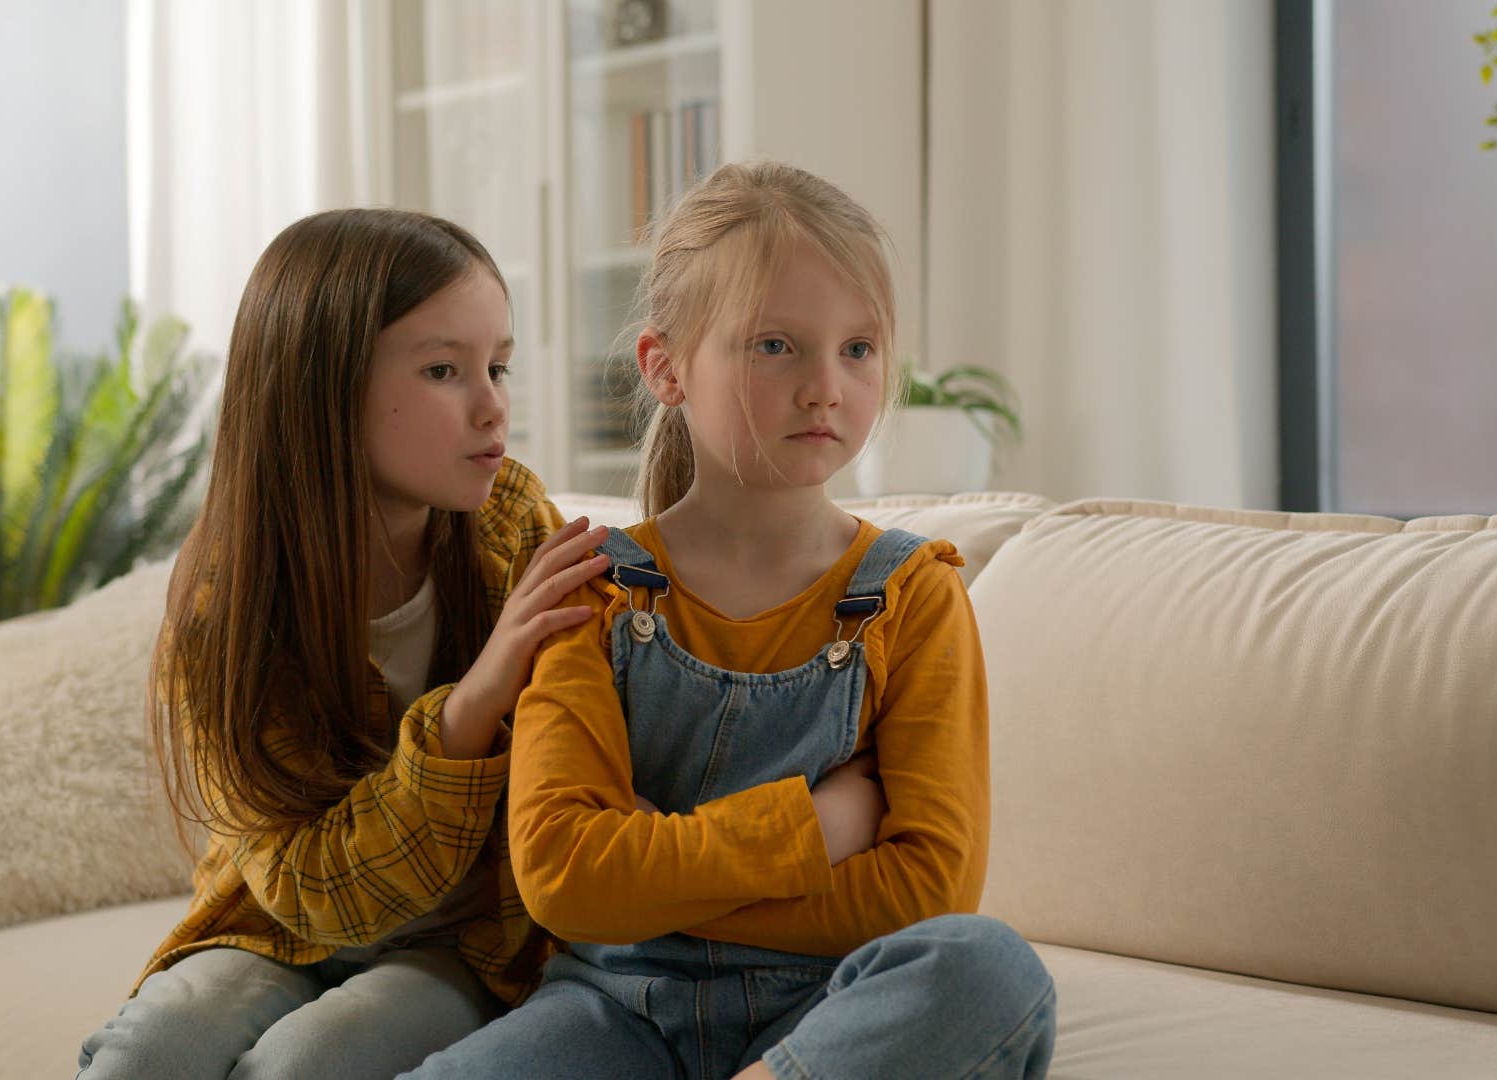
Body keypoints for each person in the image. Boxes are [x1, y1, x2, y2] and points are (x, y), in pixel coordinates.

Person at [407, 162, 1057, 1080]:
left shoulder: (916, 596)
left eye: (859, 349)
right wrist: (818, 833)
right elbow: (562, 875)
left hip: (831, 1009)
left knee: (990, 970)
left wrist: (652, 872)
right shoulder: (591, 589)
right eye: (775, 346)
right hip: (613, 1009)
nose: (825, 387)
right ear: (665, 367)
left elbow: (927, 892)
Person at [77, 207, 614, 1079]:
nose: (493, 407)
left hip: (468, 938)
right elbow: (311, 892)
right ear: (319, 390)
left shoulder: (515, 534)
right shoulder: (226, 602)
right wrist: (474, 705)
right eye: (444, 370)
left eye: (499, 365)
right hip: (281, 921)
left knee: (309, 1064)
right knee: (148, 1054)